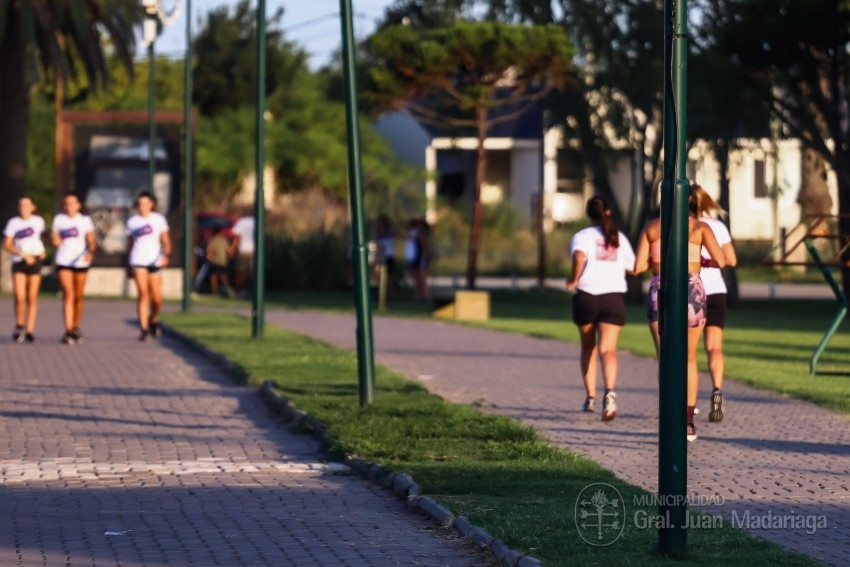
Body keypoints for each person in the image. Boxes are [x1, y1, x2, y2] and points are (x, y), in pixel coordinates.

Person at [633, 185, 726, 441]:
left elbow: (638, 265)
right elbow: (722, 260)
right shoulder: (699, 228)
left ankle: (669, 416)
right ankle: (687, 421)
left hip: (660, 286)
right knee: (689, 358)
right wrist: (702, 261)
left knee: (665, 358)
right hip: (691, 288)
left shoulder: (652, 228)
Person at [566, 195, 635, 422]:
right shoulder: (619, 237)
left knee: (588, 348)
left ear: (589, 214)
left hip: (587, 297)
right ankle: (610, 393)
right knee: (609, 350)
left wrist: (573, 279)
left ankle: (591, 397)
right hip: (612, 298)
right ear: (608, 212)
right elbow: (633, 267)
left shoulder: (582, 236)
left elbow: (578, 257)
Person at [695, 184, 738, 423]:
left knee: (688, 352)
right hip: (717, 291)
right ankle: (717, 390)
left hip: (692, 292)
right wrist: (713, 262)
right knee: (714, 347)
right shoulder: (718, 227)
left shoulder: (685, 225)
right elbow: (731, 259)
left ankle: (687, 399)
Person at [126, 191, 171, 342]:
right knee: (143, 294)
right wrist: (128, 264)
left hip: (155, 260)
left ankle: (153, 319)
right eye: (140, 204)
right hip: (138, 260)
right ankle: (143, 328)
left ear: (152, 204)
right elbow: (130, 244)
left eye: (145, 203)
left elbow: (166, 240)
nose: (142, 207)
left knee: (157, 297)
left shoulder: (158, 220)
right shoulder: (132, 222)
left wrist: (166, 255)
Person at [51, 192, 96, 345]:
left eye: (72, 203)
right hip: (64, 260)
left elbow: (91, 240)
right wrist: (56, 241)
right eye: (66, 203)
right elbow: (54, 236)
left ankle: (76, 326)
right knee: (68, 294)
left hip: (80, 261)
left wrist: (90, 251)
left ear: (78, 205)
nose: (69, 206)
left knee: (78, 296)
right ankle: (68, 329)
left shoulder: (84, 221)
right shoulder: (59, 219)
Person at [3, 196, 47, 343]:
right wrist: (22, 254)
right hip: (20, 260)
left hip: (34, 261)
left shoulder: (38, 221)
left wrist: (42, 251)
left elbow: (43, 239)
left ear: (33, 207)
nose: (24, 208)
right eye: (21, 205)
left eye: (27, 205)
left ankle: (30, 330)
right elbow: (7, 245)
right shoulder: (13, 223)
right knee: (20, 296)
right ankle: (19, 324)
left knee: (32, 297)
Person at [230, 208, 255, 298]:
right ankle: (252, 292)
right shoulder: (255, 221)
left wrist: (233, 248)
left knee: (240, 272)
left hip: (243, 250)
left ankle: (239, 292)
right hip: (254, 250)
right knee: (251, 272)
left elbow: (237, 236)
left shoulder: (241, 222)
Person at [404, 218, 430, 301]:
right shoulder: (411, 233)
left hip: (419, 258)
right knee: (415, 278)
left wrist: (424, 258)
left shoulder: (419, 234)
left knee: (421, 278)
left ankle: (424, 295)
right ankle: (418, 295)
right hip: (414, 258)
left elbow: (424, 246)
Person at [206, 225, 234, 297]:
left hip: (215, 262)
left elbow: (209, 251)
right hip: (223, 262)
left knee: (213, 277)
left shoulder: (212, 240)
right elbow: (228, 251)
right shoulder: (224, 241)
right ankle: (229, 291)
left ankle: (215, 292)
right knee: (224, 277)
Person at [375, 215, 397, 298]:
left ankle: (391, 292)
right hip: (381, 256)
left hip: (388, 255)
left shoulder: (389, 231)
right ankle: (382, 292)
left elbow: (394, 234)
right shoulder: (379, 233)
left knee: (389, 275)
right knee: (379, 274)